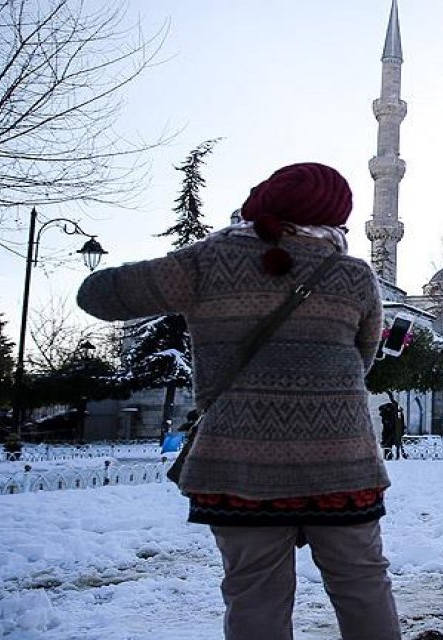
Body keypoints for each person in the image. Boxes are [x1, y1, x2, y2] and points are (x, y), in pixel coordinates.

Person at [76, 162, 401, 639]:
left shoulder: (212, 260)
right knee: (362, 583)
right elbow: (363, 357)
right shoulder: (353, 275)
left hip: (241, 461)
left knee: (256, 594)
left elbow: (96, 296)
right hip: (341, 460)